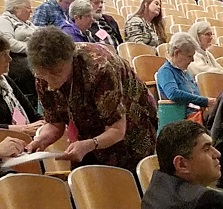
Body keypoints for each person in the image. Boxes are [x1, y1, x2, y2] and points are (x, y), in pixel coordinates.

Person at [25, 26, 157, 172]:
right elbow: (55, 124)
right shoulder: (42, 74)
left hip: (131, 127)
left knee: (125, 180)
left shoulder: (101, 68)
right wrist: (39, 141)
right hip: (88, 131)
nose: (50, 82)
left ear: (70, 59)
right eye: (43, 75)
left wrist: (89, 144)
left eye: (56, 73)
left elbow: (117, 130)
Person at [157, 32, 216, 123]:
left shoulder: (186, 71)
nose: (192, 60)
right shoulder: (166, 71)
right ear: (177, 53)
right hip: (183, 119)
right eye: (189, 56)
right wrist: (204, 101)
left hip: (196, 115)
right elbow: (173, 94)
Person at [0, 35, 43, 136]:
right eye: (4, 54)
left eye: (9, 54)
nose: (10, 59)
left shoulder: (6, 81)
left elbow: (33, 115)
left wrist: (44, 124)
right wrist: (16, 129)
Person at [0, 0, 38, 106]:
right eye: (27, 7)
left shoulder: (28, 23)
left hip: (31, 55)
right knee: (31, 68)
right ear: (16, 8)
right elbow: (9, 43)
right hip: (15, 58)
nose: (31, 10)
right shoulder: (4, 20)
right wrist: (31, 49)